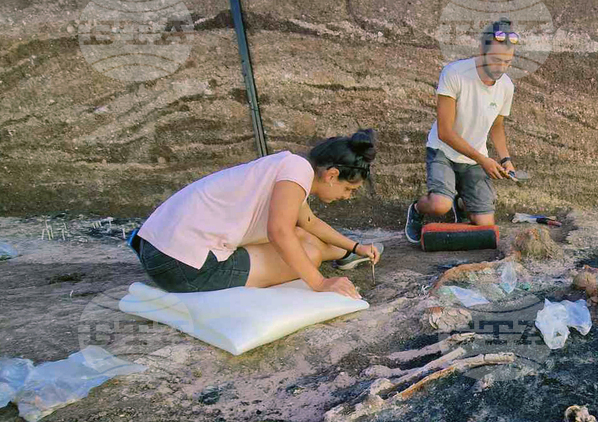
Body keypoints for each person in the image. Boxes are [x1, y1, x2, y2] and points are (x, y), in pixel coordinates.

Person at [130, 130, 382, 298]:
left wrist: (357, 246)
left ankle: (345, 254)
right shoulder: (297, 172)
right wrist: (319, 283)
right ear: (332, 175)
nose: (346, 196)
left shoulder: (291, 166)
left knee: (300, 233)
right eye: (348, 189)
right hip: (180, 268)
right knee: (310, 254)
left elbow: (307, 221)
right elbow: (279, 232)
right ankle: (334, 255)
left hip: (158, 248)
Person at [404, 18, 519, 244]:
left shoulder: (506, 86)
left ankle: (461, 202)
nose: (502, 68)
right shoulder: (454, 73)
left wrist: (506, 159)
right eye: (496, 60)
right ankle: (417, 210)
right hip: (443, 150)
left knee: (485, 224)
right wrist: (483, 160)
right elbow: (445, 132)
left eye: (508, 62)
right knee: (439, 205)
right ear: (481, 52)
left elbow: (497, 126)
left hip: (474, 157)